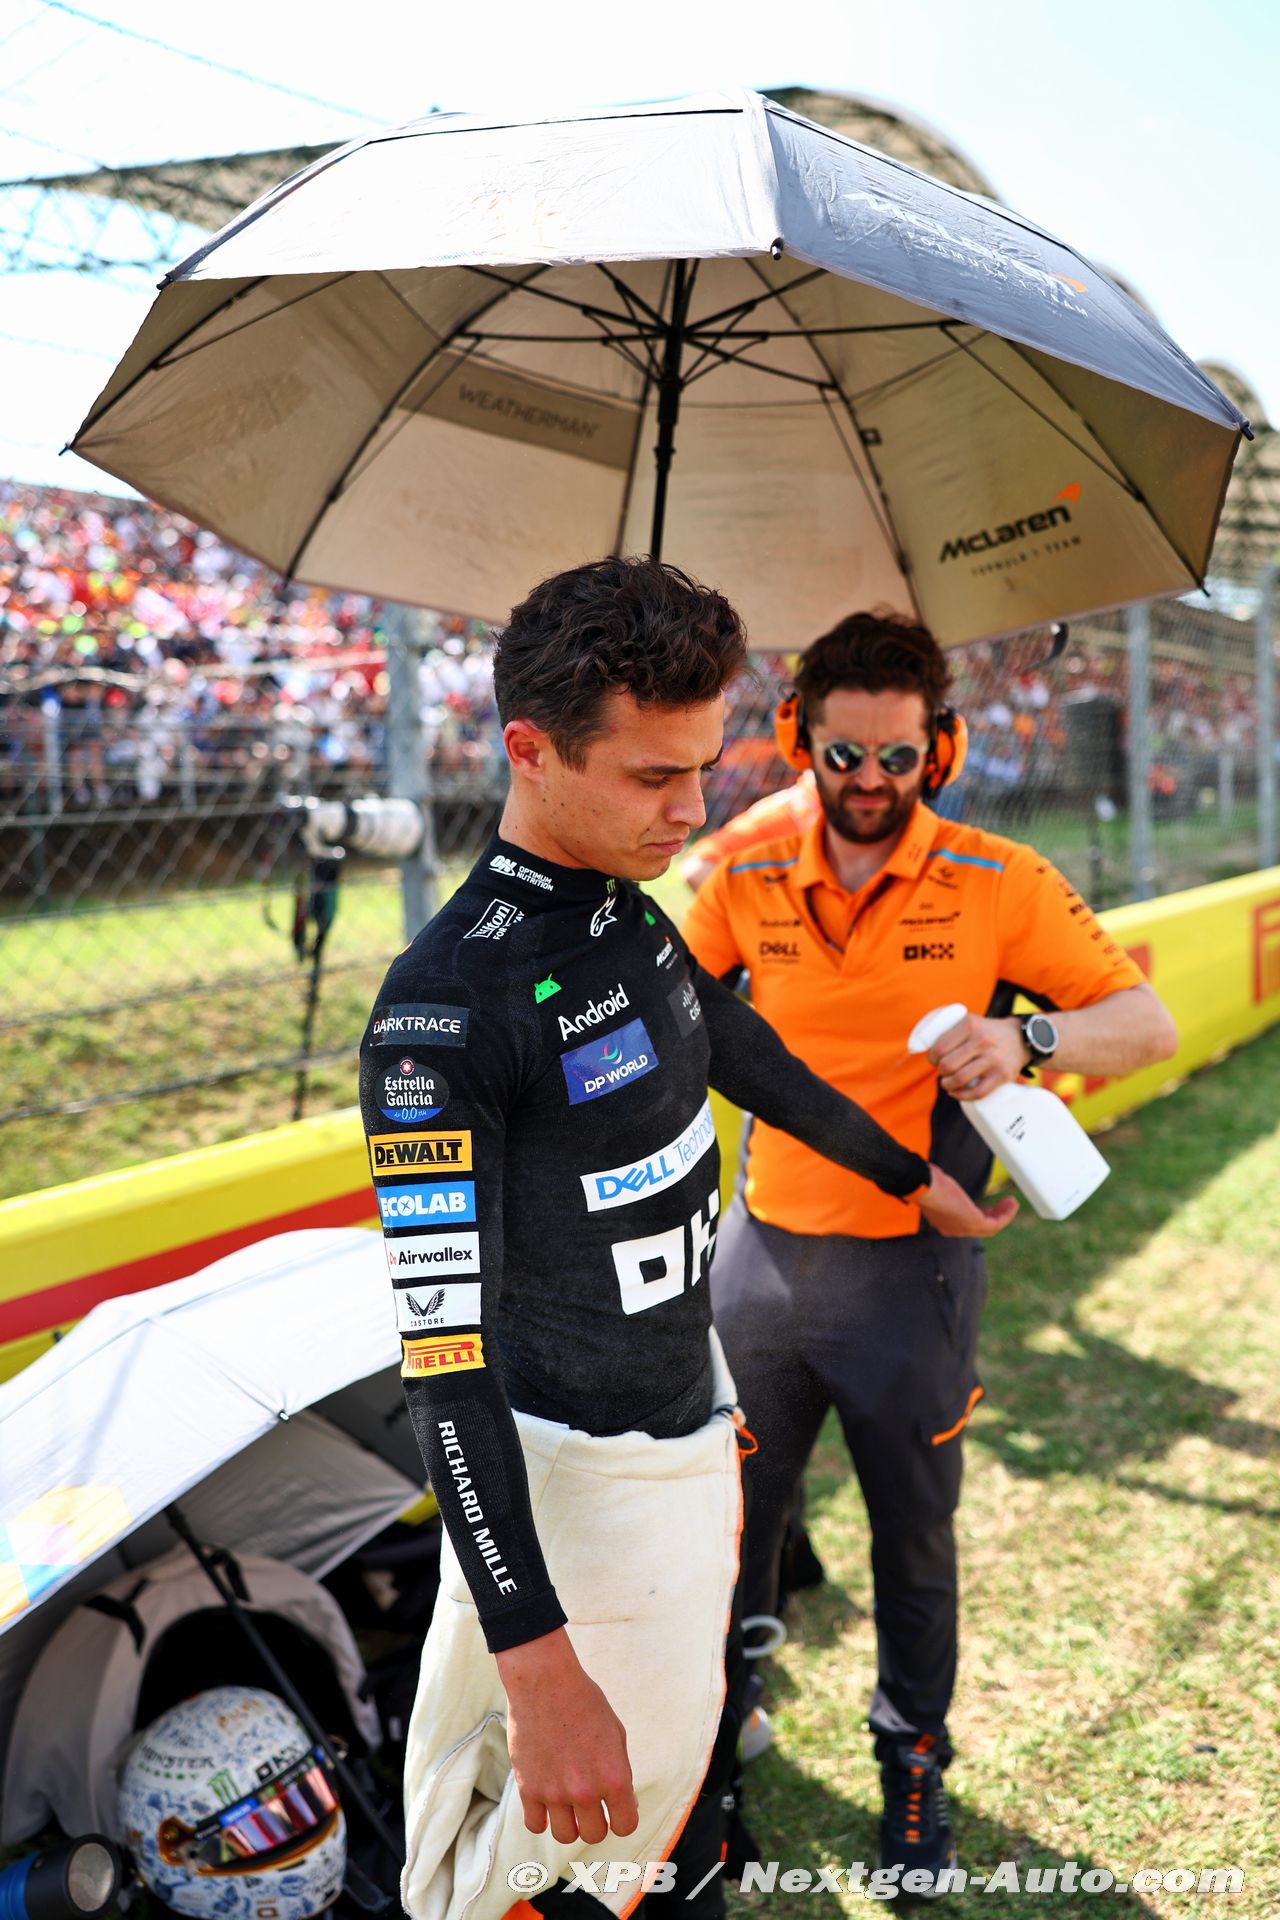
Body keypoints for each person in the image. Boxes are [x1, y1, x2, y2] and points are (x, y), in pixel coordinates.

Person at [358, 562, 1010, 1920]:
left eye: (704, 766)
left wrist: (909, 1180)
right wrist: (536, 1663)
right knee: (529, 1882)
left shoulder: (621, 901)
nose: (694, 807)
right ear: (529, 750)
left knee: (668, 1844)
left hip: (688, 1433)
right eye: (655, 775)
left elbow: (737, 1046)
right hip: (565, 1496)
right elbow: (445, 1366)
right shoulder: (440, 1016)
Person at [679, 610, 1178, 1891]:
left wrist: (1029, 1040)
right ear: (796, 736)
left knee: (910, 1541)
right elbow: (663, 1004)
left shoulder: (995, 878)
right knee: (723, 1537)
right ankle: (708, 1774)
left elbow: (1145, 1023)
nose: (867, 782)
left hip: (912, 1275)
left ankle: (911, 1769)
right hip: (758, 1265)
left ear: (939, 749)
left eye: (895, 757)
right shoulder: (738, 860)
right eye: (840, 754)